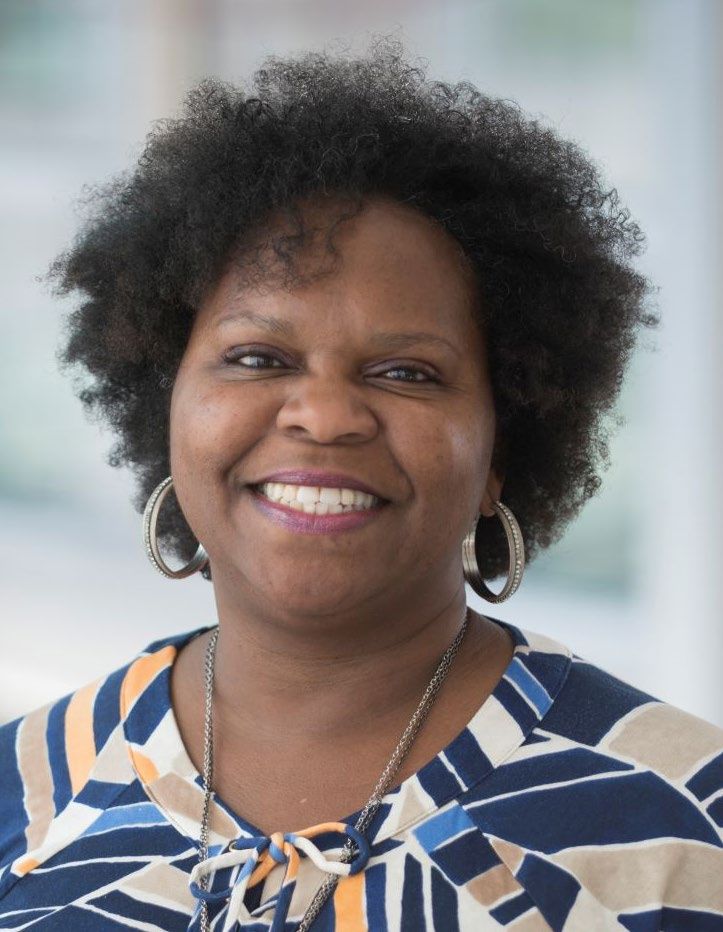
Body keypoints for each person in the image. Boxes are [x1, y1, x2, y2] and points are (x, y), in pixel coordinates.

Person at [1, 39, 721, 932]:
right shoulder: (26, 796)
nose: (324, 416)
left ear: (502, 444)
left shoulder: (683, 825)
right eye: (256, 358)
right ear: (165, 402)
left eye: (406, 372)